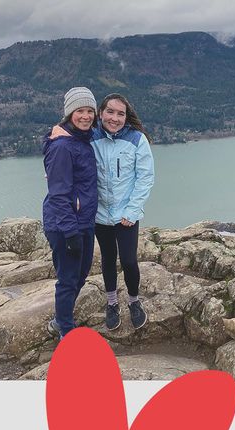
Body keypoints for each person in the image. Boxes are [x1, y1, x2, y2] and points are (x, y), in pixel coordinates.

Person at [52, 93, 155, 331]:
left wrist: (133, 210)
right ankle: (111, 303)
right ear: (101, 113)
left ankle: (133, 300)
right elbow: (68, 141)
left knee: (129, 260)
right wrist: (55, 134)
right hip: (98, 214)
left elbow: (145, 177)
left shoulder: (137, 139)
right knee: (108, 259)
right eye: (110, 112)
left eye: (121, 114)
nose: (115, 118)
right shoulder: (91, 136)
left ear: (126, 117)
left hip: (126, 215)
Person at [42, 87, 99, 340]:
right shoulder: (63, 147)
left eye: (90, 111)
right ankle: (65, 330)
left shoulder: (82, 139)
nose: (86, 116)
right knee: (68, 279)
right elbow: (58, 194)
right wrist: (70, 231)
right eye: (80, 111)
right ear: (69, 113)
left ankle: (60, 320)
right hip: (65, 224)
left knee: (81, 273)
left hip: (83, 221)